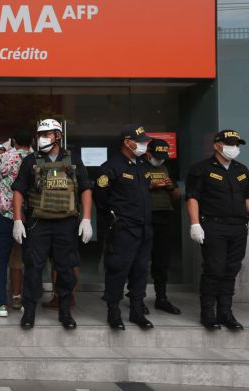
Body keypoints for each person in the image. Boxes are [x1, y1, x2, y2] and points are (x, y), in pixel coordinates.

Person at [12, 119, 93, 329]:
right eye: (39, 135)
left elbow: (85, 188)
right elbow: (18, 190)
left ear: (58, 136)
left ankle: (65, 311)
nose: (42, 139)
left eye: (46, 134)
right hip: (38, 224)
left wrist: (86, 218)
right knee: (33, 268)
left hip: (66, 224)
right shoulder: (31, 160)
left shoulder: (73, 159)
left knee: (65, 269)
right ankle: (29, 312)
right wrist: (17, 220)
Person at [186, 129, 249, 330]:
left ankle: (225, 313)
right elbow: (192, 197)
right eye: (230, 144)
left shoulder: (241, 170)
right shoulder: (201, 169)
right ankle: (208, 313)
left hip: (238, 227)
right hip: (214, 226)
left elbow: (246, 198)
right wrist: (195, 223)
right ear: (217, 145)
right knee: (214, 269)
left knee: (231, 270)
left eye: (236, 144)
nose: (234, 148)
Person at [93, 125, 155, 330]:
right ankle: (113, 311)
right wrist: (114, 219)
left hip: (144, 228)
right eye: (140, 141)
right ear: (127, 142)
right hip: (124, 229)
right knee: (118, 269)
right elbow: (101, 198)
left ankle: (137, 311)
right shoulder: (111, 167)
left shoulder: (143, 165)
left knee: (140, 270)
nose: (144, 145)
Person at [0, 130, 32, 316]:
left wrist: (2, 149)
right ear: (33, 140)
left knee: (1, 260)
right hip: (29, 216)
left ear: (14, 141)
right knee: (30, 260)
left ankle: (0, 304)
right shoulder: (35, 159)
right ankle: (26, 303)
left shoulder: (9, 156)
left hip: (7, 215)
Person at [146, 139, 182, 315]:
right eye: (157, 156)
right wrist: (150, 186)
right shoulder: (139, 167)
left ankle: (161, 298)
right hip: (145, 218)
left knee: (162, 261)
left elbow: (177, 195)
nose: (159, 160)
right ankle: (136, 298)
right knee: (140, 260)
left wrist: (170, 187)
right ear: (148, 153)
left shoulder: (167, 168)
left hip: (164, 218)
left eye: (162, 157)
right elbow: (131, 192)